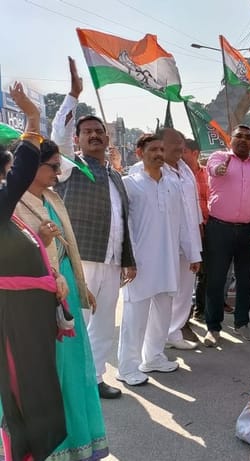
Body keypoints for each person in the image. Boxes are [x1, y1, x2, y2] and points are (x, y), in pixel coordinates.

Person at [13, 139, 109, 460]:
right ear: (31, 166)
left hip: (64, 290)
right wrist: (41, 241)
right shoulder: (12, 204)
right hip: (36, 300)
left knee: (74, 370)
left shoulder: (52, 197)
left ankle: (76, 445)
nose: (58, 173)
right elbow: (12, 258)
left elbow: (68, 246)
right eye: (53, 166)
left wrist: (81, 286)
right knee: (49, 373)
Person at [52, 58, 136, 400]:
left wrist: (128, 260)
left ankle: (95, 378)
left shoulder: (115, 176)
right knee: (75, 324)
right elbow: (57, 137)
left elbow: (122, 221)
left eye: (100, 131)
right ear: (78, 139)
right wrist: (73, 95)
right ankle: (68, 383)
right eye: (87, 132)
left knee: (103, 327)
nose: (95, 135)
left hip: (112, 263)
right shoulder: (70, 167)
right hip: (81, 259)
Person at [0, 83, 67, 461]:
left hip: (25, 318)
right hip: (13, 318)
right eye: (8, 172)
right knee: (20, 393)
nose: (11, 179)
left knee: (33, 391)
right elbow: (25, 170)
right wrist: (33, 119)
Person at [116, 134, 200, 386]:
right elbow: (122, 225)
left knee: (163, 312)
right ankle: (127, 367)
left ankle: (153, 357)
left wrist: (192, 253)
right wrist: (127, 260)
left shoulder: (172, 184)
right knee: (135, 317)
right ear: (139, 153)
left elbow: (183, 222)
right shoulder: (129, 184)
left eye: (162, 149)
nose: (159, 154)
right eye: (153, 149)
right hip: (140, 262)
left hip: (168, 260)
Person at [204, 125, 250, 345]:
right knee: (216, 280)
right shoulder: (220, 157)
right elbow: (213, 169)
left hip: (247, 231)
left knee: (246, 281)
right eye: (239, 136)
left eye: (247, 137)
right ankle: (213, 328)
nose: (243, 140)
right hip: (219, 229)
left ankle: (241, 323)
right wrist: (220, 170)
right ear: (231, 140)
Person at [155, 128, 202, 351]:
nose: (180, 147)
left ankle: (174, 332)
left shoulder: (185, 169)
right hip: (166, 240)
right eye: (174, 142)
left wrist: (198, 231)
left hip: (190, 238)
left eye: (181, 143)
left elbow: (193, 203)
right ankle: (156, 338)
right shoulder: (153, 169)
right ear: (161, 144)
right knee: (164, 291)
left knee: (185, 288)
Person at [183, 139, 210, 326]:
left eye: (184, 151)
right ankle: (182, 317)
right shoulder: (178, 175)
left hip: (207, 228)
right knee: (185, 273)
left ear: (195, 153)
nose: (180, 155)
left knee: (204, 271)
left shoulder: (207, 173)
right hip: (187, 229)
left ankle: (199, 310)